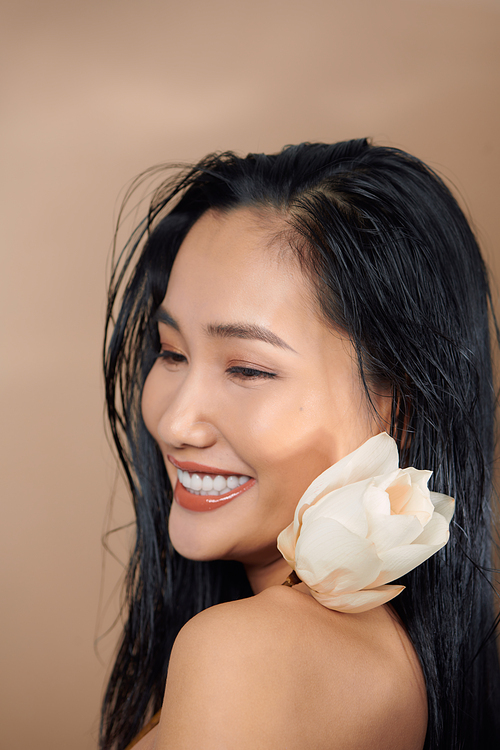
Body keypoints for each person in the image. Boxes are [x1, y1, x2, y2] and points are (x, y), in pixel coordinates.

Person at [100, 140, 500, 750]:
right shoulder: (389, 655)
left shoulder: (244, 657)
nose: (177, 422)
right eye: (172, 352)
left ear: (402, 408)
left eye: (249, 370)